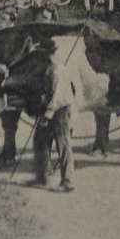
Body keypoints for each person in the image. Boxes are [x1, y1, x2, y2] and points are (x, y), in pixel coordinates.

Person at [32, 46, 79, 193]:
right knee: (40, 139)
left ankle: (68, 182)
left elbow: (57, 97)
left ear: (47, 54)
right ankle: (42, 177)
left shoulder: (57, 70)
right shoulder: (50, 69)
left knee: (63, 144)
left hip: (60, 111)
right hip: (52, 108)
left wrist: (47, 115)